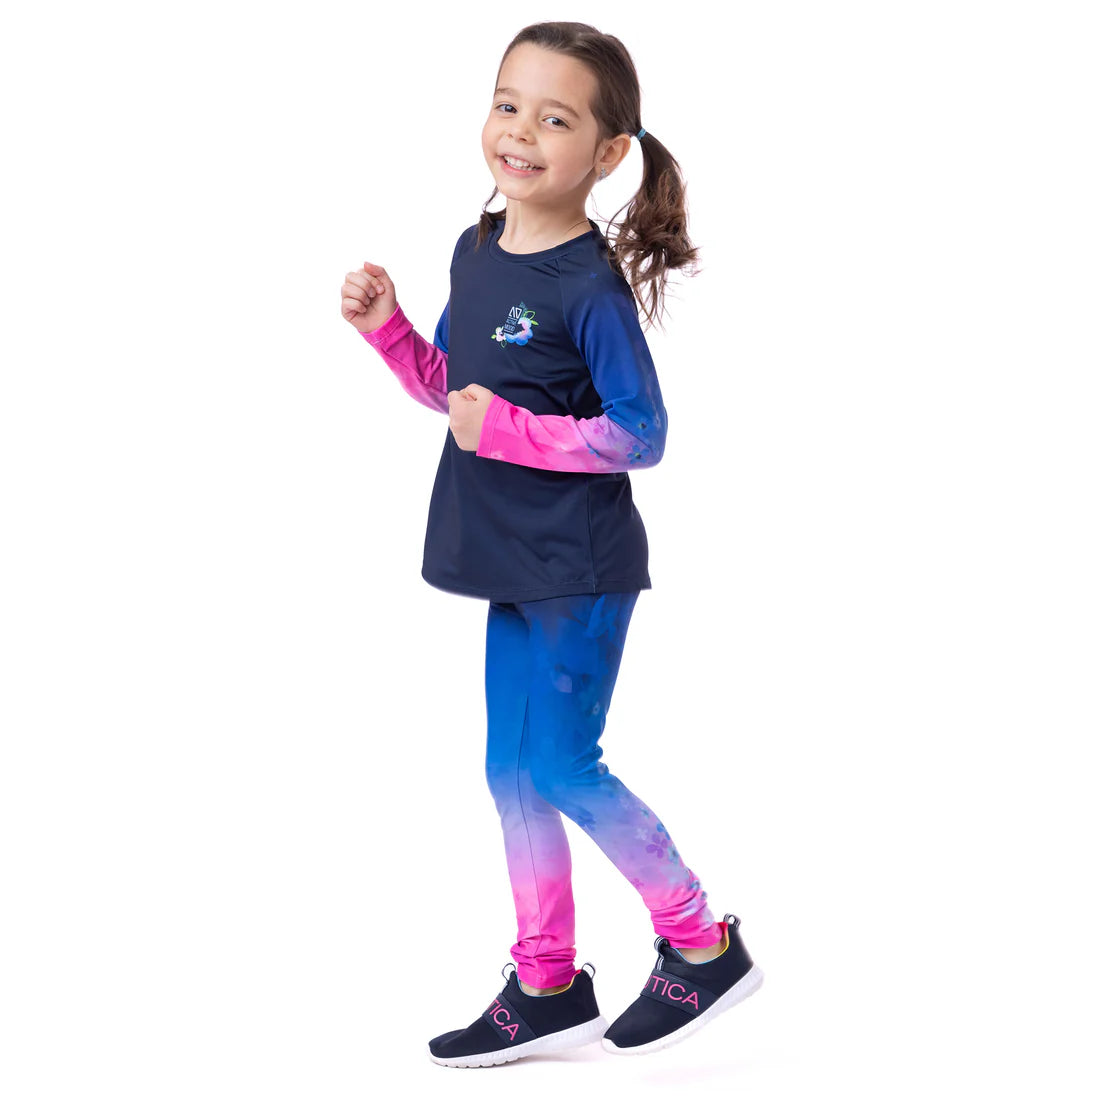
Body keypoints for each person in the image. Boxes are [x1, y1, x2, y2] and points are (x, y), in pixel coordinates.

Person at [340, 21, 763, 1068]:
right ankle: (545, 982)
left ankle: (701, 942)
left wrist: (512, 431)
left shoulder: (588, 286)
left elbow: (640, 433)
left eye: (555, 118)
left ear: (608, 153)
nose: (520, 132)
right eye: (506, 104)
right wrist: (391, 331)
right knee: (512, 774)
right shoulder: (475, 246)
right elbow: (459, 395)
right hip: (503, 557)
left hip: (577, 566)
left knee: (565, 767)